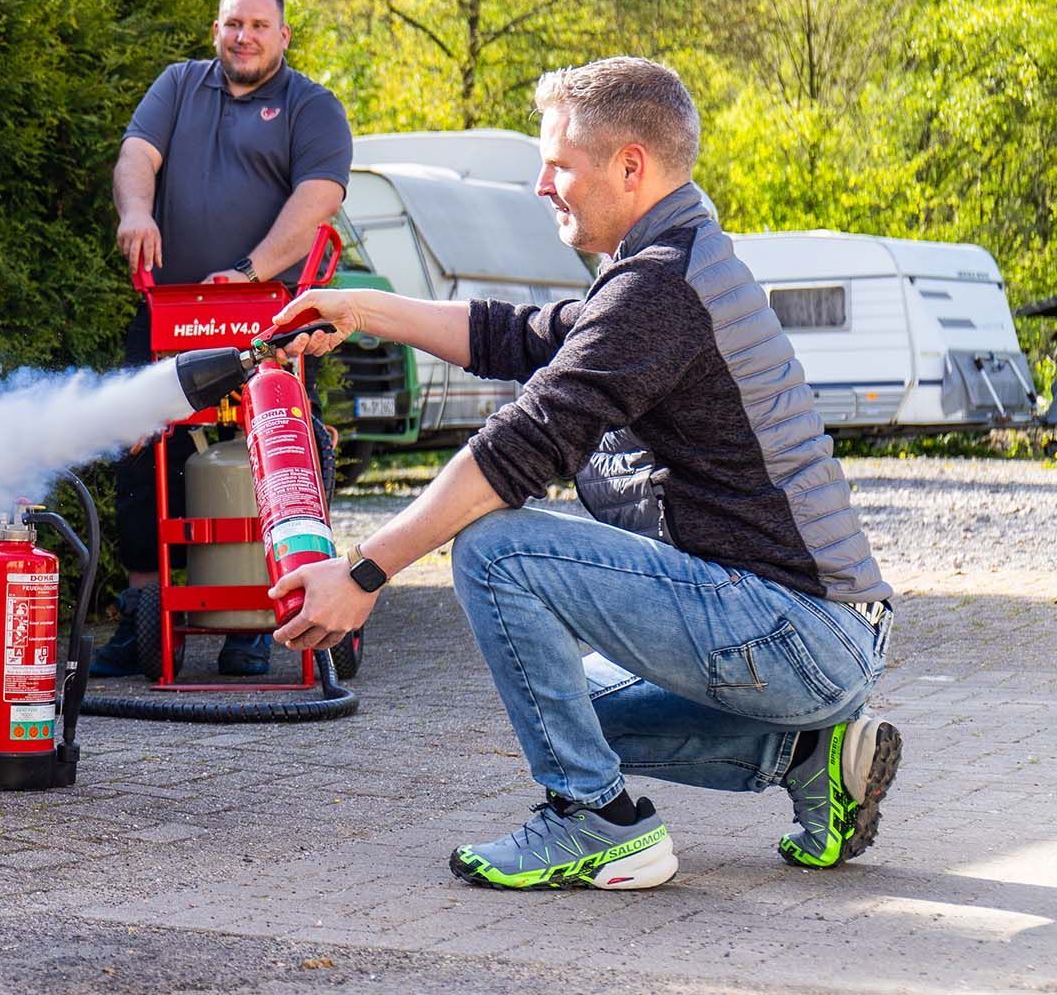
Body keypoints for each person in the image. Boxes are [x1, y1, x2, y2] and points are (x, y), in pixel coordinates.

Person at [264, 56, 899, 889]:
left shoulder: (661, 288)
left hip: (794, 632)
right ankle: (808, 754)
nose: (540, 185)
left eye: (559, 165)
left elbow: (517, 447)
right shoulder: (672, 262)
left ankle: (597, 818)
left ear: (629, 166)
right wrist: (361, 307)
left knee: (493, 546)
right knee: (560, 700)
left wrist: (364, 569)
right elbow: (520, 335)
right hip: (812, 634)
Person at [90, 0, 352, 678]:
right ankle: (143, 613)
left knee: (278, 452)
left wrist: (251, 269)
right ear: (216, 29)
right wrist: (135, 213)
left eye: (259, 25)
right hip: (171, 310)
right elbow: (136, 156)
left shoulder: (311, 106)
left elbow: (319, 197)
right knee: (141, 451)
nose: (245, 36)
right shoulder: (179, 85)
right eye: (234, 24)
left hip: (270, 316)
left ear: (283, 36)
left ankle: (270, 615)